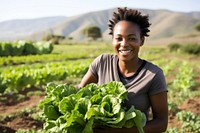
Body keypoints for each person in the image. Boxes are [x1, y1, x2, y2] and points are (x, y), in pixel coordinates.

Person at [78, 7, 168, 133]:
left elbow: (162, 123)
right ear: (112, 40)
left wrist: (116, 132)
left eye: (131, 38)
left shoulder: (153, 75)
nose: (124, 44)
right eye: (119, 38)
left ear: (141, 40)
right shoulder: (102, 62)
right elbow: (80, 92)